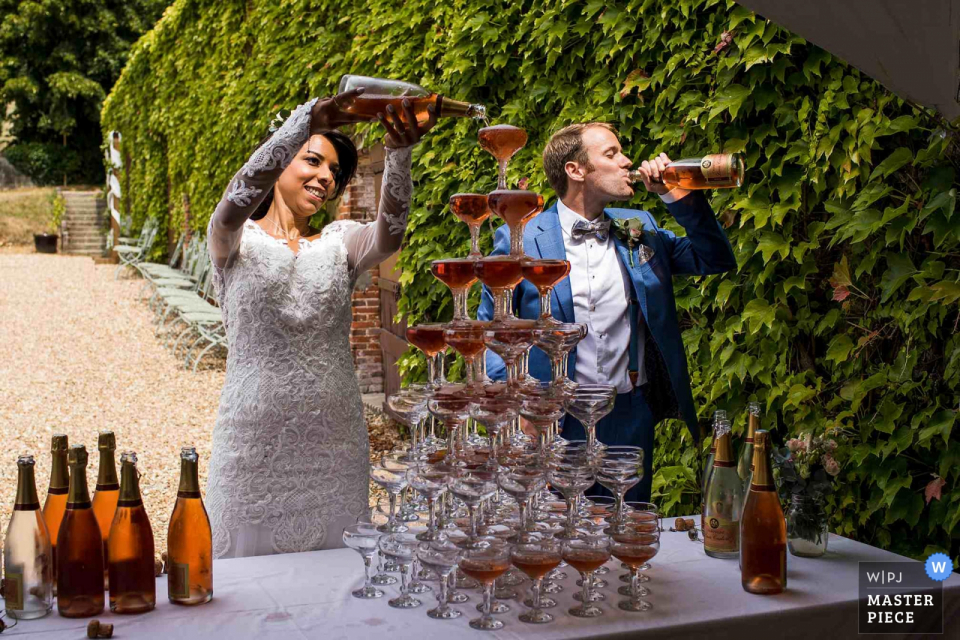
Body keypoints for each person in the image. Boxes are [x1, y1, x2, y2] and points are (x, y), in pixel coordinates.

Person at [204, 91, 436, 558]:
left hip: (335, 448)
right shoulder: (232, 240)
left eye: (335, 171)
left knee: (336, 586)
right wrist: (301, 123)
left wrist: (400, 154)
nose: (326, 177)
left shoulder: (339, 242)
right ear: (279, 163)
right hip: (250, 443)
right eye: (313, 161)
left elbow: (390, 234)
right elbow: (233, 203)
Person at [478, 123, 737, 502]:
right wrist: (517, 411)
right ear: (576, 170)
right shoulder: (521, 237)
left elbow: (714, 257)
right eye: (612, 154)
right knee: (556, 539)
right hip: (552, 420)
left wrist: (677, 194)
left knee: (625, 528)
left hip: (628, 415)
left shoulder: (639, 227)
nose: (628, 161)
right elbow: (492, 330)